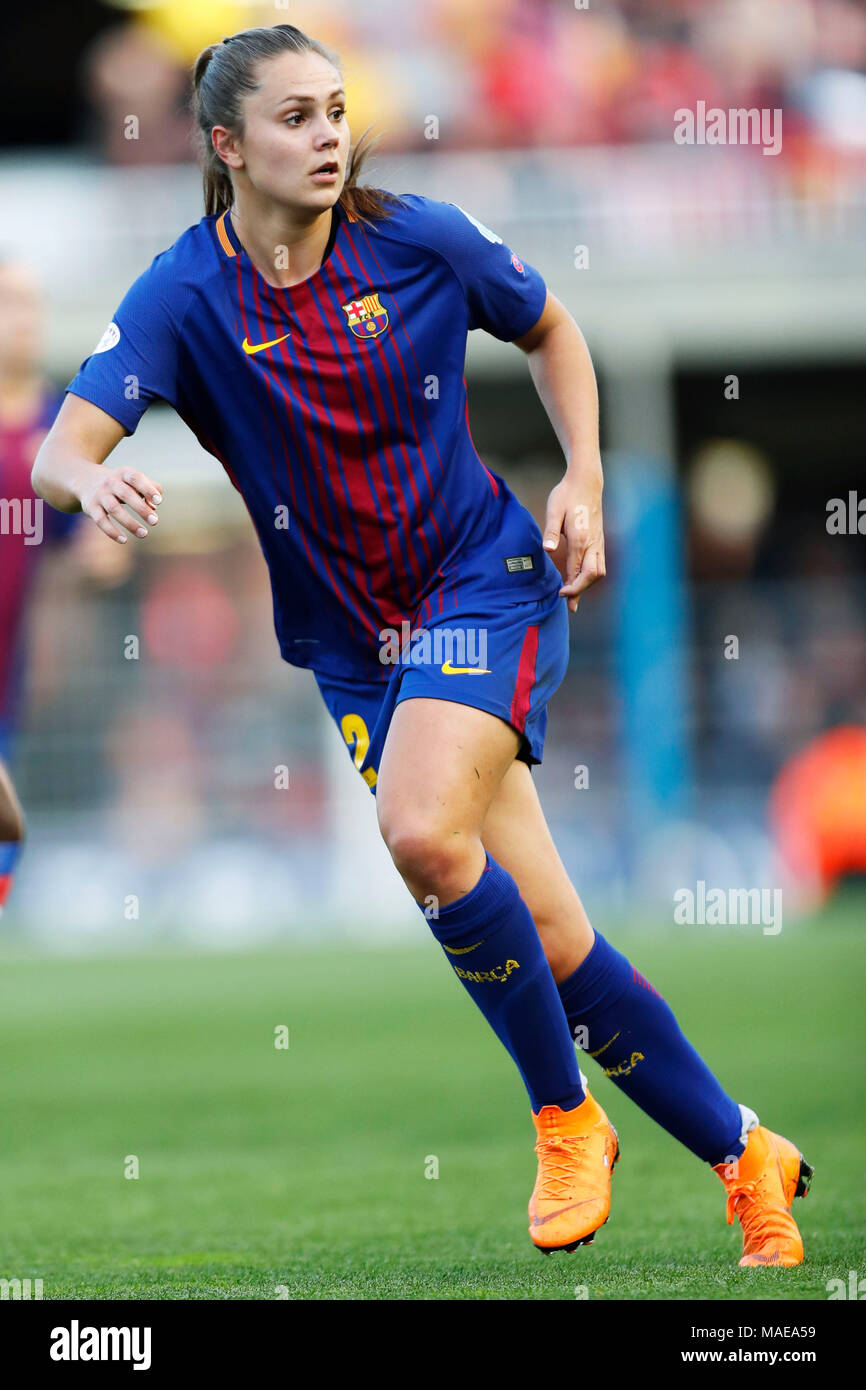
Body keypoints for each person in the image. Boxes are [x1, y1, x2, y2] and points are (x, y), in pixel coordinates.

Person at [32, 24, 812, 1262]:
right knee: (548, 940)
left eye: (336, 109)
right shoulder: (182, 293)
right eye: (294, 117)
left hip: (480, 582)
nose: (328, 133)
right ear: (227, 146)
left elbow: (551, 328)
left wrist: (584, 478)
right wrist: (90, 484)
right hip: (351, 646)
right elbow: (61, 445)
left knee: (414, 833)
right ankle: (741, 1149)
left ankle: (564, 1118)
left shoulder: (420, 239)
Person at [0, 262, 86, 913]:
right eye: (9, 302)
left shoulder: (62, 420)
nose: (23, 318)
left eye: (31, 302)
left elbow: (77, 547)